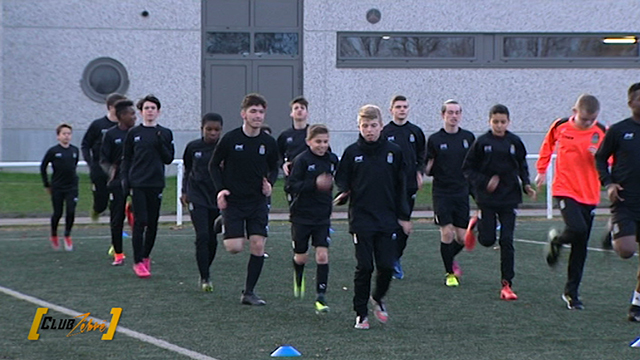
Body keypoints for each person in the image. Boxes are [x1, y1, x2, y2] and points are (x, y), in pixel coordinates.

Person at [334, 104, 412, 330]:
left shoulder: (393, 152)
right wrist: (344, 191)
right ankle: (361, 313)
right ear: (359, 127)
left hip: (387, 218)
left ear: (381, 126)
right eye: (365, 126)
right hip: (361, 218)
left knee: (387, 266)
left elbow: (401, 186)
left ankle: (377, 298)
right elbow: (343, 179)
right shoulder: (352, 152)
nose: (369, 130)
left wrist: (404, 216)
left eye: (373, 125)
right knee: (365, 266)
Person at [536, 94, 605, 310]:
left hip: (590, 194)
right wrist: (541, 171)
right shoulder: (560, 126)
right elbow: (547, 146)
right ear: (575, 112)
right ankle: (557, 241)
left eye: (591, 120)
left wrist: (599, 157)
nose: (588, 123)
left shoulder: (601, 132)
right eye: (584, 119)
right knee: (577, 227)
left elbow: (612, 160)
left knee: (580, 244)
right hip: (565, 189)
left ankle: (571, 293)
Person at [209, 93, 279, 305]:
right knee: (234, 248)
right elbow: (213, 165)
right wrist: (221, 190)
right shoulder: (230, 139)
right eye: (253, 111)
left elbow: (274, 167)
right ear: (243, 114)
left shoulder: (268, 142)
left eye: (260, 112)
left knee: (258, 244)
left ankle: (248, 292)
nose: (257, 116)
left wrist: (270, 184)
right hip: (235, 201)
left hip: (257, 201)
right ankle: (223, 221)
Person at [462, 104, 536, 301]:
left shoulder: (515, 142)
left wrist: (526, 185)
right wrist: (486, 182)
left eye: (503, 122)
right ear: (489, 121)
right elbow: (468, 169)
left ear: (508, 122)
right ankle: (477, 225)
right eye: (495, 122)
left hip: (509, 197)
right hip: (487, 198)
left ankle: (507, 284)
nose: (499, 125)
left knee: (506, 240)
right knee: (487, 241)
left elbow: (522, 166)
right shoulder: (482, 142)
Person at [595, 82, 640, 321]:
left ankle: (637, 305)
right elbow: (600, 158)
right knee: (626, 251)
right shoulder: (619, 130)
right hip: (625, 200)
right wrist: (609, 183)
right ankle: (613, 230)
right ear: (630, 103)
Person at [285, 124, 339, 314]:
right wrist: (314, 184)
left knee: (322, 255)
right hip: (301, 216)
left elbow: (339, 179)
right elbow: (291, 186)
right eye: (318, 141)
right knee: (301, 257)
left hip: (322, 216)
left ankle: (320, 297)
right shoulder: (302, 160)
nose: (322, 145)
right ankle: (298, 276)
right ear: (309, 142)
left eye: (325, 141)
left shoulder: (332, 160)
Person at [121, 95, 175, 278]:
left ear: (158, 111)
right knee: (140, 222)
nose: (150, 111)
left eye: (153, 108)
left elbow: (168, 158)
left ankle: (145, 257)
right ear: (141, 111)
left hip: (156, 183)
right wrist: (125, 180)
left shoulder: (165, 133)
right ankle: (137, 261)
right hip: (138, 183)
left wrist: (160, 143)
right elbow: (126, 158)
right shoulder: (133, 133)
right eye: (146, 108)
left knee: (153, 223)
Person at [425, 100, 475, 287]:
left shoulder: (468, 138)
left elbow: (474, 164)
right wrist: (426, 168)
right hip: (442, 192)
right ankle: (449, 273)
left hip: (461, 192)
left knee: (462, 238)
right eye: (450, 112)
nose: (454, 116)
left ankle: (449, 257)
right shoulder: (435, 139)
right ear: (443, 115)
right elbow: (427, 167)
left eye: (457, 112)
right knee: (447, 233)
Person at [381, 95, 426, 279]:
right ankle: (387, 260)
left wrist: (419, 172)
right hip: (389, 188)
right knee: (388, 225)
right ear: (391, 109)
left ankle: (395, 258)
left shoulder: (415, 132)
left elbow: (422, 155)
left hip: (408, 187)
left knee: (404, 226)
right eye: (398, 106)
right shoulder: (385, 132)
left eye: (405, 106)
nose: (402, 109)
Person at [181, 113, 224, 292]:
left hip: (216, 197)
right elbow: (188, 169)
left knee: (212, 238)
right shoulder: (193, 147)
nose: (212, 133)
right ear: (202, 129)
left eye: (216, 130)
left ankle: (206, 268)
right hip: (196, 195)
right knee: (202, 236)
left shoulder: (224, 148)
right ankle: (205, 277)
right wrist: (184, 191)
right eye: (209, 129)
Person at [100, 99, 136, 266]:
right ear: (121, 116)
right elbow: (104, 160)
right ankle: (118, 253)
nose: (135, 117)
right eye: (131, 114)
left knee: (141, 218)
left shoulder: (137, 133)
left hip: (136, 181)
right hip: (117, 183)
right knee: (116, 218)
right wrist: (112, 174)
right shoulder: (111, 135)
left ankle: (140, 253)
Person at [81, 93, 127, 221]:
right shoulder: (98, 125)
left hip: (118, 170)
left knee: (118, 202)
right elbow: (85, 145)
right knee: (101, 202)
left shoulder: (125, 127)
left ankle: (117, 227)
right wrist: (91, 163)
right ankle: (97, 209)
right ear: (111, 107)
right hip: (100, 169)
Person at [40, 123, 79, 251]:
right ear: (58, 136)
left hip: (72, 187)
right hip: (57, 187)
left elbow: (73, 166)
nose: (66, 136)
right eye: (64, 134)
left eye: (69, 134)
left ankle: (67, 235)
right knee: (58, 212)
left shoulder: (74, 150)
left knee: (71, 211)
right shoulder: (53, 151)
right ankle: (54, 234)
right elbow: (43, 167)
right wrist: (47, 184)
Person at [278, 96, 310, 179]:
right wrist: (283, 164)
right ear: (291, 113)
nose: (299, 110)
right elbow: (277, 154)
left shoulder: (314, 133)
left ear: (307, 113)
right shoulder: (285, 135)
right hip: (293, 175)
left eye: (302, 108)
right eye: (296, 108)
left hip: (310, 173)